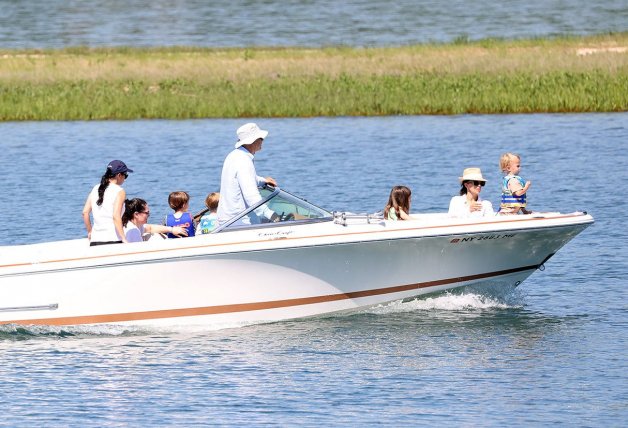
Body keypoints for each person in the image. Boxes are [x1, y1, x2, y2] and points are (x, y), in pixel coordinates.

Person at [217, 122, 278, 225]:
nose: (263, 140)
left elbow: (245, 179)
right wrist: (270, 214)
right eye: (261, 138)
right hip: (239, 222)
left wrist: (263, 181)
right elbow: (250, 193)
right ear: (253, 141)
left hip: (228, 220)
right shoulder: (243, 160)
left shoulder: (234, 155)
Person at [82, 160, 133, 246]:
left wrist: (90, 231)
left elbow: (85, 213)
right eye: (126, 175)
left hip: (95, 241)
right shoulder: (119, 191)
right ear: (119, 175)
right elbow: (116, 216)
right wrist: (123, 238)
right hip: (113, 240)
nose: (125, 179)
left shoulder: (95, 188)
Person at [122, 198, 188, 242]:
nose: (149, 215)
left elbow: (150, 228)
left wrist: (172, 229)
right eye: (147, 213)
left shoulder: (135, 225)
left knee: (154, 235)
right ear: (136, 214)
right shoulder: (133, 231)